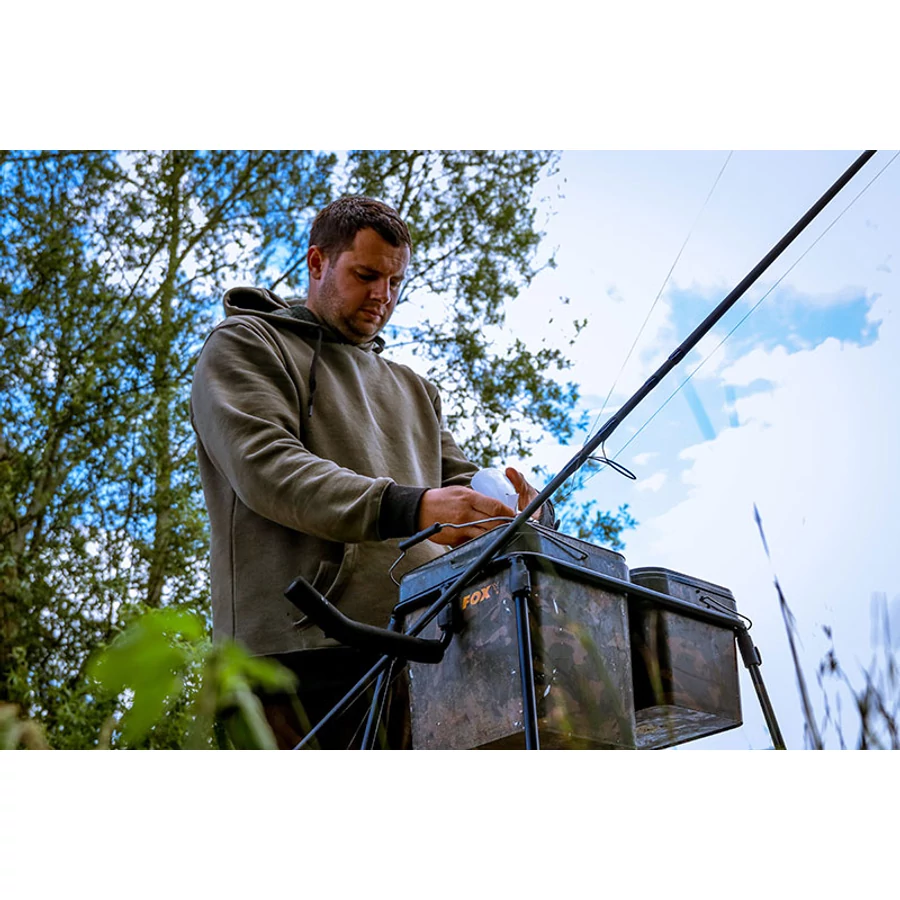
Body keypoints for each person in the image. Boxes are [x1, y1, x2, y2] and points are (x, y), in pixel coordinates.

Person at [190, 196, 551, 749]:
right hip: (290, 657)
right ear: (317, 263)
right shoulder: (246, 343)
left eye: (395, 281)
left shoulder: (415, 391)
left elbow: (462, 489)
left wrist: (523, 509)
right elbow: (267, 467)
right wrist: (411, 508)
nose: (382, 295)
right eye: (365, 275)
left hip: (421, 650)